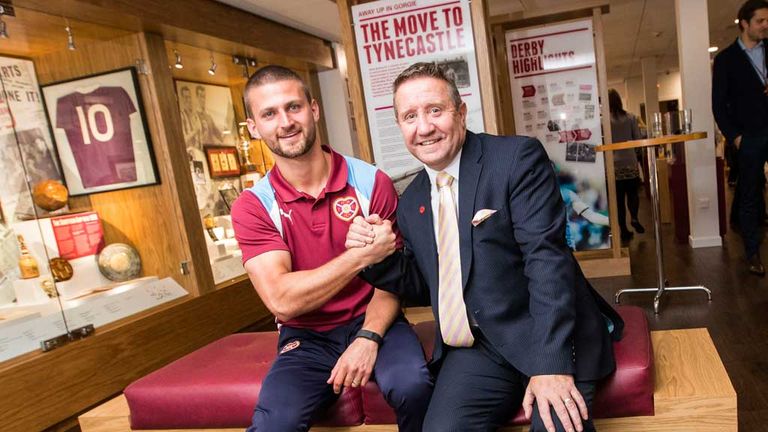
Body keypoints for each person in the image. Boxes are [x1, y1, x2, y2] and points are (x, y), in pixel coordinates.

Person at [346, 62, 623, 432]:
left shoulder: (515, 159)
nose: (424, 127)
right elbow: (426, 281)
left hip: (546, 333)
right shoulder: (411, 201)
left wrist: (550, 364)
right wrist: (373, 256)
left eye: (435, 110)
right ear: (400, 127)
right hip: (478, 349)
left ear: (460, 113)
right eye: (410, 116)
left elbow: (547, 261)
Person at [230, 65, 432, 432]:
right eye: (269, 114)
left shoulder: (371, 182)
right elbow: (283, 300)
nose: (285, 122)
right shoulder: (253, 205)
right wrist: (359, 257)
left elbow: (392, 282)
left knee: (413, 387)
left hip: (376, 320)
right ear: (253, 128)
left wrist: (368, 337)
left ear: (314, 109)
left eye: (293, 107)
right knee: (275, 424)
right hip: (305, 336)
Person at [712, 0, 768, 275]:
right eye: (761, 21)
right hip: (749, 136)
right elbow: (718, 105)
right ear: (744, 23)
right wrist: (735, 137)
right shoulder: (726, 60)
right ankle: (752, 253)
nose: (766, 25)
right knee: (750, 195)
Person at [608, 89, 645, 242]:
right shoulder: (631, 118)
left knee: (618, 201)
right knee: (633, 194)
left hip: (613, 165)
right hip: (630, 162)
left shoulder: (605, 120)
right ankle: (635, 218)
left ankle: (623, 230)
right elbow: (637, 139)